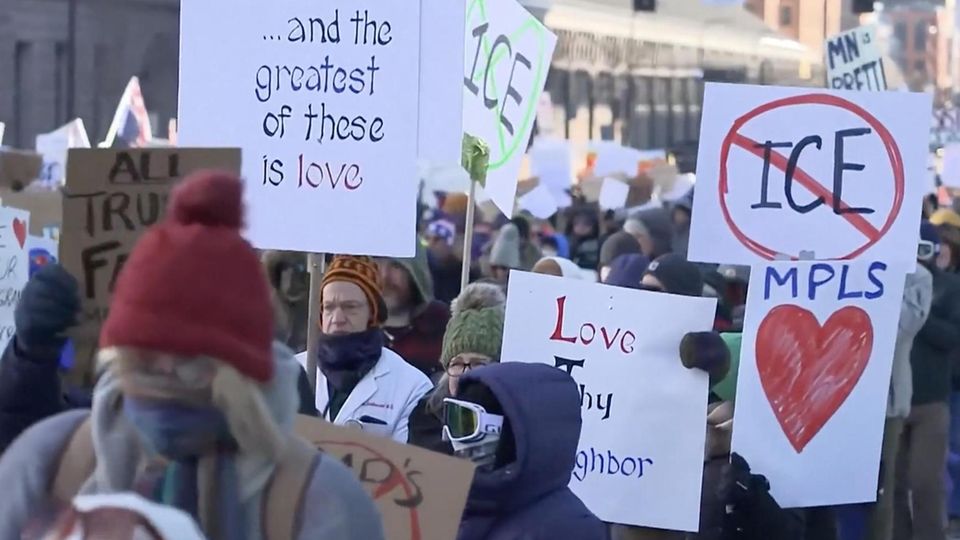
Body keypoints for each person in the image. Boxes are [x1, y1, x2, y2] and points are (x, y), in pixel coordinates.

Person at [0, 171, 383, 539]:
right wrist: (32, 356)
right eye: (145, 355)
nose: (167, 369)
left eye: (194, 359)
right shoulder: (50, 460)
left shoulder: (318, 502)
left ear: (241, 365)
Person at [448, 362, 607, 540]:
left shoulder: (572, 531)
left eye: (468, 423)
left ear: (512, 433)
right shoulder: (451, 503)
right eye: (453, 418)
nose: (449, 437)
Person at [837, 259, 932, 540]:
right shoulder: (840, 264)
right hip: (835, 396)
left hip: (886, 402)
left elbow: (902, 327)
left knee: (881, 490)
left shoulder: (917, 276)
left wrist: (872, 287)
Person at [298, 254, 432, 442]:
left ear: (372, 313)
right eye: (328, 307)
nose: (337, 319)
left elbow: (411, 464)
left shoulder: (411, 385)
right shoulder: (292, 372)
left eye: (350, 307)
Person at [894, 222, 960, 540]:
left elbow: (953, 337)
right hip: (890, 401)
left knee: (925, 483)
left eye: (924, 251)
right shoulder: (888, 284)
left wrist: (916, 314)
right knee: (890, 485)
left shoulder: (950, 287)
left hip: (931, 401)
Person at [408, 282, 505, 455]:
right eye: (457, 364)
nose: (465, 373)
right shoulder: (426, 418)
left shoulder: (516, 424)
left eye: (478, 363)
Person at [377, 246, 451, 379]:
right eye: (375, 264)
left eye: (396, 266)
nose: (384, 277)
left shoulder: (445, 330)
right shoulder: (351, 331)